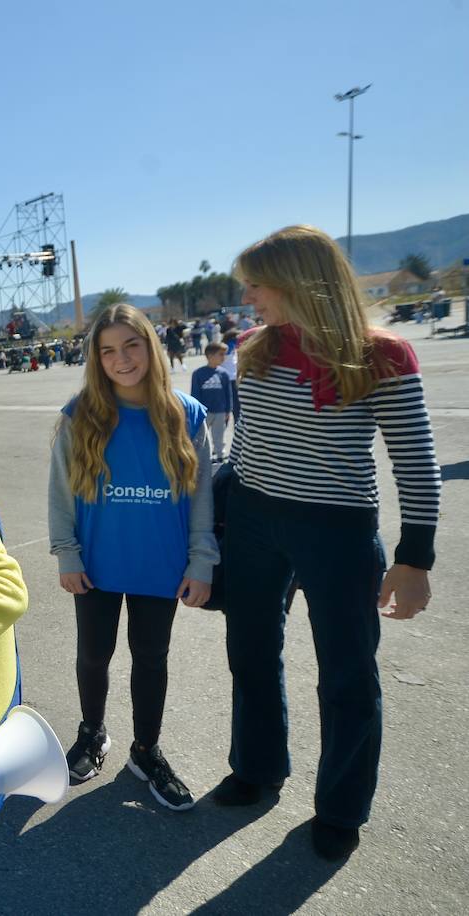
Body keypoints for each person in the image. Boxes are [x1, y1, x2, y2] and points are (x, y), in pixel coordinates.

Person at [217, 225, 441, 861]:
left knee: (347, 675)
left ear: (296, 282)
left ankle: (341, 806)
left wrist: (413, 559)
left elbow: (416, 464)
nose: (249, 295)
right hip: (255, 519)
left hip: (338, 529)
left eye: (257, 284)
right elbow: (247, 445)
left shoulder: (384, 356)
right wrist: (222, 524)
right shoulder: (252, 348)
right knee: (250, 651)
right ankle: (258, 767)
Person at [48, 303, 218, 812]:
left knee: (151, 659)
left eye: (131, 345)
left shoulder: (186, 414)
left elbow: (202, 496)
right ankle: (92, 733)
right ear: (96, 359)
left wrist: (200, 561)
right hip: (95, 566)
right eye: (108, 351)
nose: (121, 359)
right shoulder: (81, 415)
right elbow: (60, 494)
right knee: (93, 656)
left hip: (159, 566)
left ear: (150, 346)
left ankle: (146, 752)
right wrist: (66, 554)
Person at [191, 342, 233, 464]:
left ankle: (220, 456)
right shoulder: (198, 373)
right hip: (204, 412)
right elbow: (195, 394)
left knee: (219, 435)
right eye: (220, 354)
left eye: (224, 354)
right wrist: (196, 412)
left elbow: (228, 393)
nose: (223, 357)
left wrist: (228, 410)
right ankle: (199, 457)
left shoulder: (223, 373)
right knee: (201, 436)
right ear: (210, 356)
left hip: (220, 410)